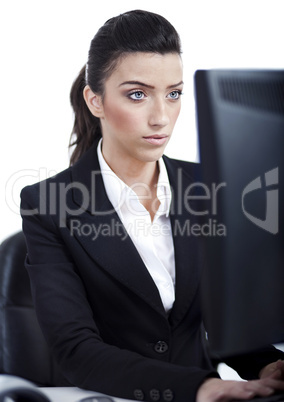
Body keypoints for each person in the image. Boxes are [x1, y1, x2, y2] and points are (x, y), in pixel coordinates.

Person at [20, 10, 284, 402]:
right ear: (95, 100)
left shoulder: (210, 186)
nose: (162, 116)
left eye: (173, 93)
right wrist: (200, 387)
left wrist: (266, 365)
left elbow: (224, 326)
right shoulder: (48, 204)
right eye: (138, 94)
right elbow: (75, 350)